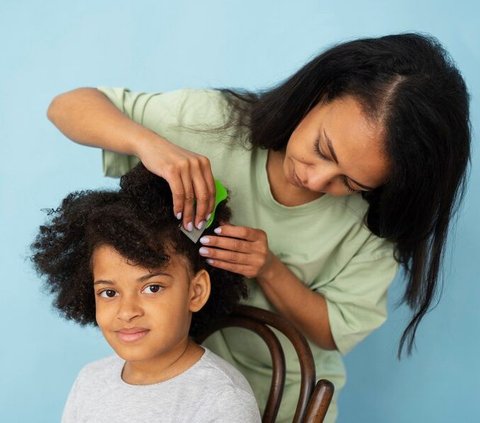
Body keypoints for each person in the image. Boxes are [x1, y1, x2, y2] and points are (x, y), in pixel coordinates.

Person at [47, 33, 471, 422]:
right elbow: (67, 106)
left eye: (351, 182)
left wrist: (269, 268)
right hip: (165, 385)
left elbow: (333, 330)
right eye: (322, 149)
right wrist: (148, 144)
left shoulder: (369, 224)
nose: (318, 179)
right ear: (319, 94)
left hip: (280, 402)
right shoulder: (210, 123)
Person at [31, 163, 262, 423]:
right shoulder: (90, 380)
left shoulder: (221, 399)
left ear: (196, 292)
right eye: (108, 292)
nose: (128, 311)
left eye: (152, 288)